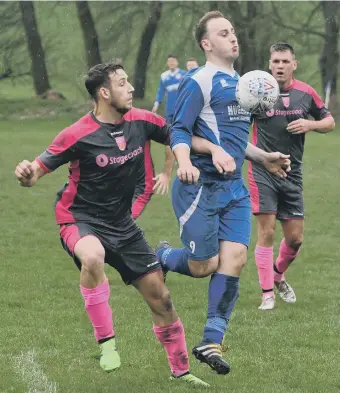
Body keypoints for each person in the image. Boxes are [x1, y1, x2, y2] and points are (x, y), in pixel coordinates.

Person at [14, 60, 209, 387]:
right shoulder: (77, 134)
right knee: (92, 257)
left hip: (122, 224)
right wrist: (25, 174)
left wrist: (213, 152)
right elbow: (36, 171)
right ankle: (107, 345)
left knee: (162, 299)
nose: (130, 87)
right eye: (121, 83)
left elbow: (178, 135)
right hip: (79, 218)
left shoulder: (143, 121)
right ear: (104, 93)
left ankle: (182, 371)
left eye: (128, 81)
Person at [156, 11, 291, 375]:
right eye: (223, 33)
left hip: (234, 188)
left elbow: (233, 143)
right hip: (199, 185)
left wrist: (264, 157)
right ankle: (163, 256)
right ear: (206, 43)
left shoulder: (244, 84)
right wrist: (187, 158)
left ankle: (211, 339)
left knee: (235, 260)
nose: (233, 38)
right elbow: (178, 130)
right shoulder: (197, 81)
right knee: (203, 266)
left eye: (232, 32)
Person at [249, 43, 335, 310]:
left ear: (294, 65)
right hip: (262, 171)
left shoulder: (305, 93)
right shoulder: (257, 93)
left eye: (285, 61)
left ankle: (277, 275)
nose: (280, 66)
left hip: (292, 172)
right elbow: (238, 130)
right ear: (269, 64)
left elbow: (329, 121)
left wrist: (311, 124)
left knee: (295, 239)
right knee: (267, 231)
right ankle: (267, 295)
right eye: (275, 61)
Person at [152, 55, 186, 123]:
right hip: (169, 108)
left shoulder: (184, 74)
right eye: (169, 61)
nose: (171, 63)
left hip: (182, 107)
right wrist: (156, 105)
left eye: (173, 61)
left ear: (177, 62)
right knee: (169, 128)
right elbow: (160, 92)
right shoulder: (164, 76)